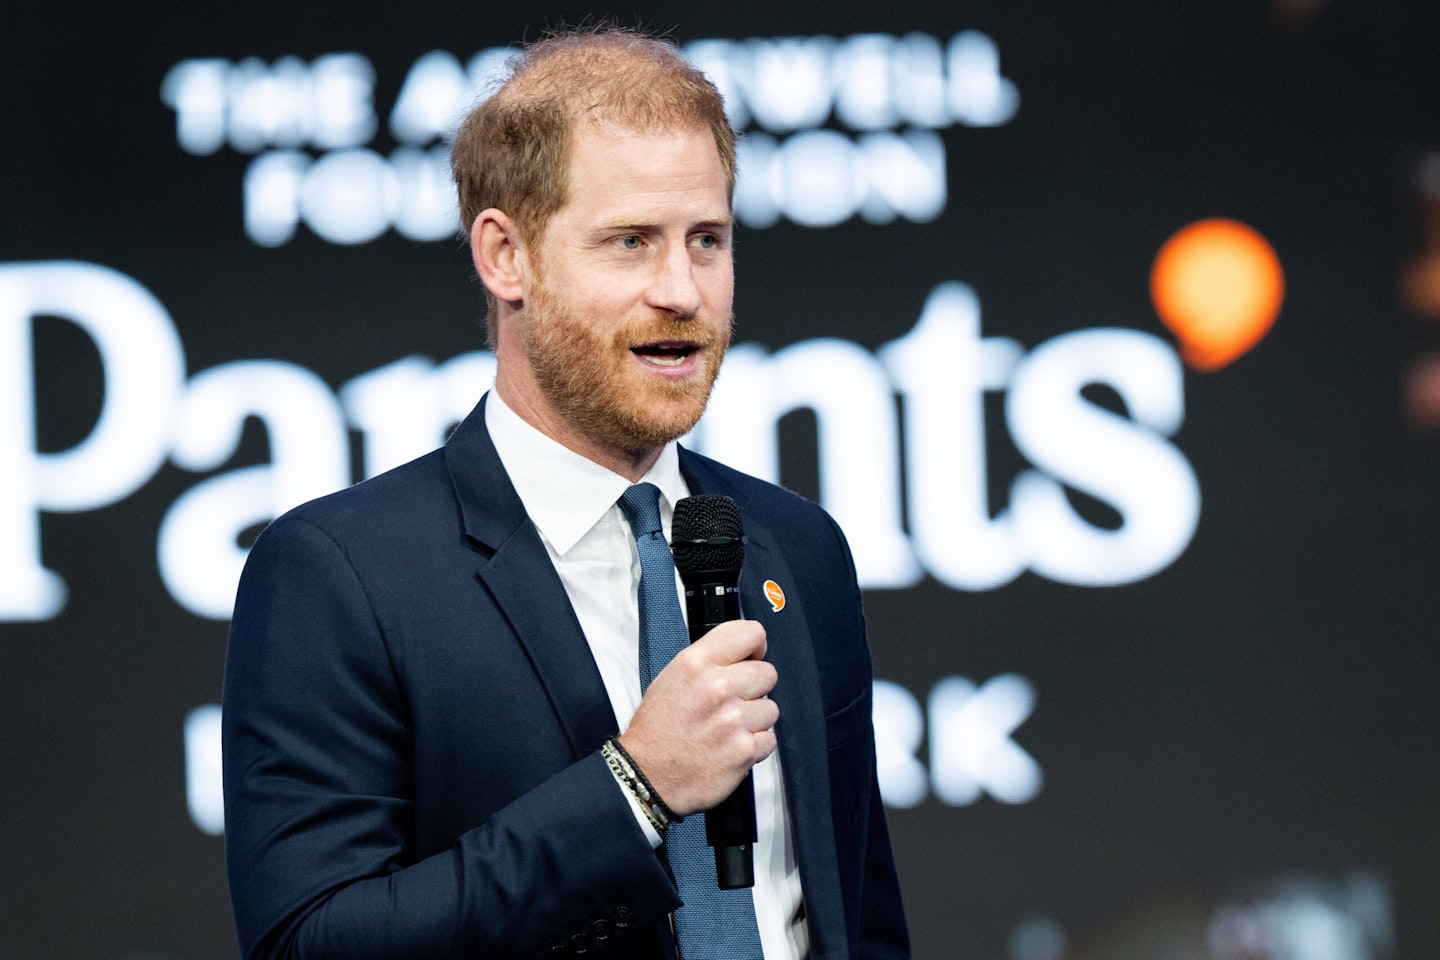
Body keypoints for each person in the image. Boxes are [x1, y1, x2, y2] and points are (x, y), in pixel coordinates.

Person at [222, 26, 909, 960]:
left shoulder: (796, 546)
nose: (683, 290)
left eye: (706, 240)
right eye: (631, 241)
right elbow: (313, 942)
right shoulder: (340, 576)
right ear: (506, 256)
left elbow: (856, 917)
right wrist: (634, 786)